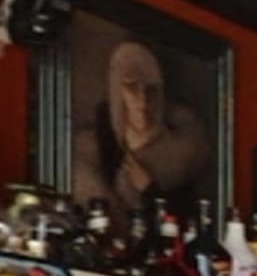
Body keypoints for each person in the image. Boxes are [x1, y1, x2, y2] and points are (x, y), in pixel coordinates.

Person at [75, 37, 211, 207]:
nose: (143, 100)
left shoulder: (182, 154)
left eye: (151, 89)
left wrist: (150, 189)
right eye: (132, 87)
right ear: (118, 92)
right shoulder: (91, 147)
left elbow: (187, 219)